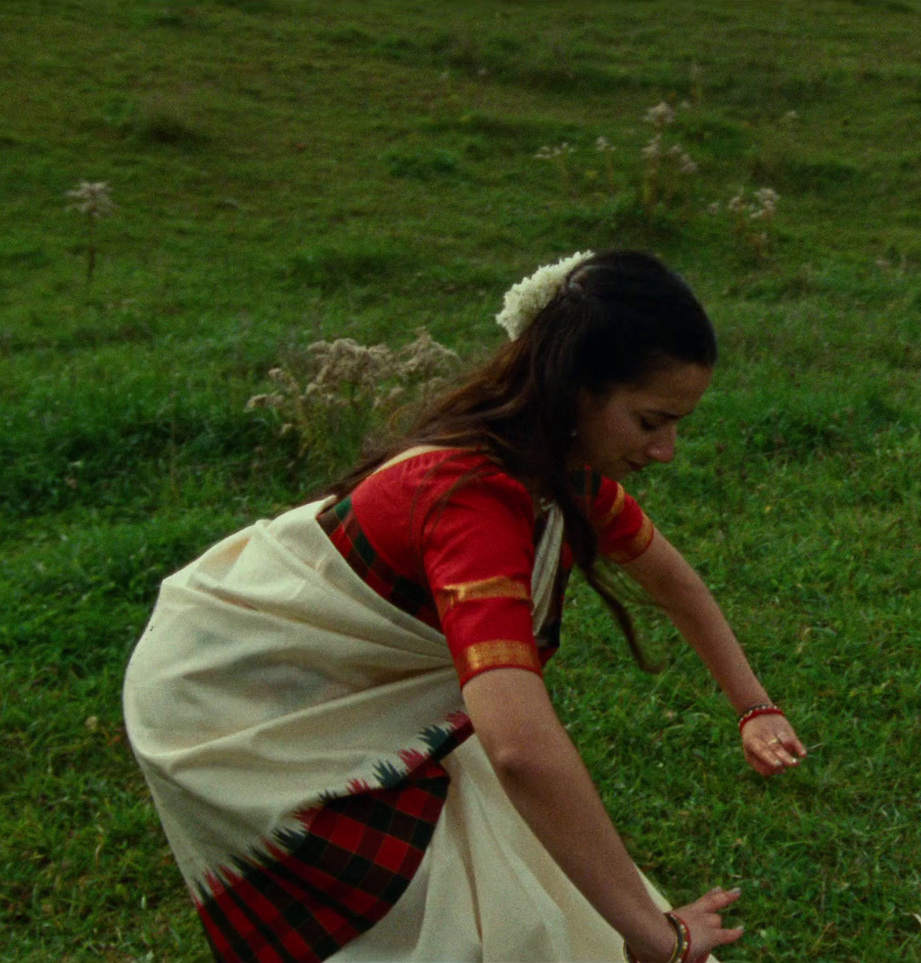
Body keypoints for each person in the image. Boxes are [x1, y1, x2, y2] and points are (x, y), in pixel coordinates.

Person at [123, 249, 808, 963]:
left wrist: (755, 706)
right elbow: (518, 748)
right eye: (650, 420)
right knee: (434, 922)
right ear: (576, 388)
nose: (667, 449)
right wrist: (652, 933)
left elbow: (674, 582)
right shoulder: (473, 502)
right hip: (227, 701)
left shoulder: (559, 468)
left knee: (519, 888)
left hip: (323, 683)